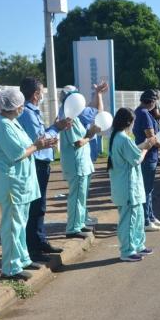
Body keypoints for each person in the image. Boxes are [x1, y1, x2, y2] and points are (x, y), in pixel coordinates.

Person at [0, 89, 54, 281]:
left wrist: (39, 143)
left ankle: (22, 259)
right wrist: (38, 146)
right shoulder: (2, 125)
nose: (21, 109)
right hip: (12, 183)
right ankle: (10, 268)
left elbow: (26, 146)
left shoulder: (12, 122)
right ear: (13, 107)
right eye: (19, 106)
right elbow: (16, 153)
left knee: (20, 224)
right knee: (12, 226)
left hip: (21, 182)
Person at [17, 77, 70, 262]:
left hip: (41, 163)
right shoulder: (27, 114)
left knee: (40, 206)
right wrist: (56, 128)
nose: (42, 96)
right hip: (36, 164)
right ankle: (33, 247)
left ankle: (40, 241)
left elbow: (41, 137)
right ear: (35, 94)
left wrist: (55, 128)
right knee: (35, 207)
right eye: (41, 93)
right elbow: (38, 140)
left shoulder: (31, 111)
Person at [107, 108, 157, 262]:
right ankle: (127, 251)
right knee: (129, 220)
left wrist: (143, 145)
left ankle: (138, 245)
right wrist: (147, 148)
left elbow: (133, 151)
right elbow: (136, 159)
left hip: (127, 185)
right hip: (127, 187)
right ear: (129, 122)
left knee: (138, 217)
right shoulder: (123, 139)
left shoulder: (116, 136)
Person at [59, 89, 101, 239]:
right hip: (76, 163)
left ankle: (80, 222)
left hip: (82, 163)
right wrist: (92, 133)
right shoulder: (67, 117)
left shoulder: (73, 116)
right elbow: (78, 142)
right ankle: (72, 228)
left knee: (81, 196)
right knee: (77, 196)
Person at [132, 89, 160, 232]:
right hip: (148, 156)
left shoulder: (142, 112)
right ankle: (145, 220)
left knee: (149, 189)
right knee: (146, 189)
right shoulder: (143, 114)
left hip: (149, 155)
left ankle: (150, 216)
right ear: (152, 101)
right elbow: (151, 138)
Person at [70, 82, 109, 227]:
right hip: (80, 158)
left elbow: (92, 108)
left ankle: (82, 217)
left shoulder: (70, 111)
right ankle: (78, 222)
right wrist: (98, 94)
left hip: (81, 157)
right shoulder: (74, 114)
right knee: (80, 193)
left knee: (81, 193)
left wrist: (97, 93)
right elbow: (98, 111)